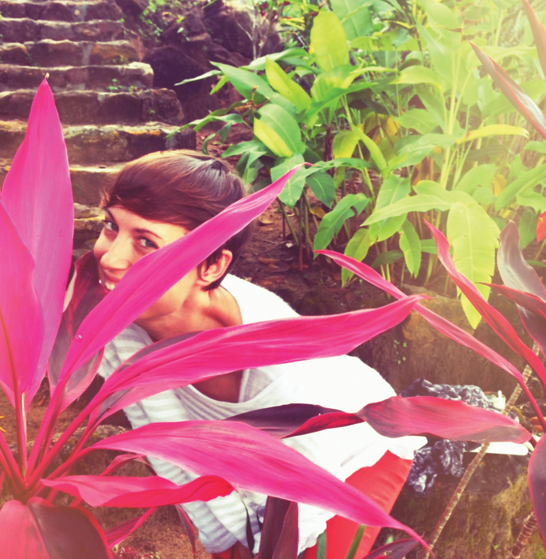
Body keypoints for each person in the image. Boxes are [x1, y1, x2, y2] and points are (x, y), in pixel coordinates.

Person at [92, 150, 423, 559]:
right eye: (110, 226)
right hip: (233, 453)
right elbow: (172, 451)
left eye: (146, 242)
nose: (110, 258)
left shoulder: (285, 375)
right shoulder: (113, 325)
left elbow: (293, 518)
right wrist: (226, 544)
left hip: (350, 444)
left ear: (211, 267)